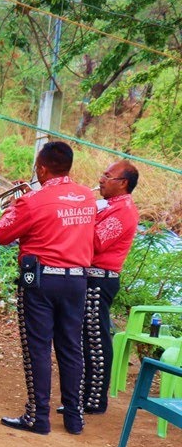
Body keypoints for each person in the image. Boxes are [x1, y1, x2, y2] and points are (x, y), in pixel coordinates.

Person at [0, 141, 97, 435]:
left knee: (37, 348)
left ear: (41, 168)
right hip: (77, 280)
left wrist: (17, 204)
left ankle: (38, 417)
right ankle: (74, 418)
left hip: (41, 280)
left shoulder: (33, 201)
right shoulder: (88, 197)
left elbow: (1, 234)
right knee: (71, 347)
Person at [81, 161, 140, 415]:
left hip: (100, 278)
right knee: (87, 337)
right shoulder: (110, 206)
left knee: (96, 337)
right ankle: (87, 395)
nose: (101, 179)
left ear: (123, 183)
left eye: (108, 176)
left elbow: (95, 242)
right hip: (93, 277)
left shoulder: (123, 211)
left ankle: (95, 400)